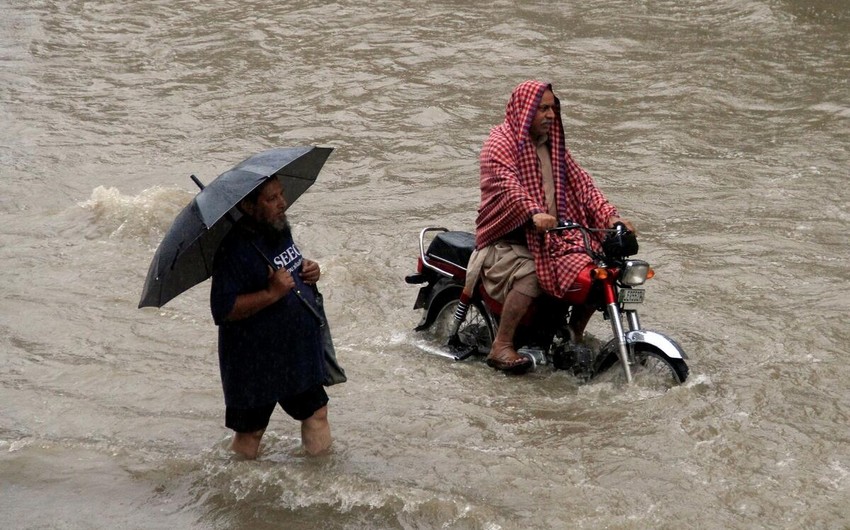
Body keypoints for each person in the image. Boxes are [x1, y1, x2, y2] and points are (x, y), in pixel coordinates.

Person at [466, 80, 635, 373]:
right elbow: (507, 187)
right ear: (525, 109)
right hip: (509, 240)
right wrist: (533, 212)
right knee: (532, 276)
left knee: (597, 270)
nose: (550, 115)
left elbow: (584, 186)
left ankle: (572, 334)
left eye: (553, 108)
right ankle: (502, 345)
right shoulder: (500, 143)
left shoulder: (553, 148)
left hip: (552, 237)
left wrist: (612, 218)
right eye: (542, 108)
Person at [210, 175, 331, 459]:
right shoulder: (233, 250)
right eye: (272, 199)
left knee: (317, 413)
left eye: (281, 194)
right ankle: (237, 494)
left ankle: (320, 483)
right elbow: (223, 309)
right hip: (253, 360)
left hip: (294, 351)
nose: (282, 203)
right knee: (251, 432)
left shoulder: (278, 228)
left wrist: (311, 271)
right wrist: (271, 294)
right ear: (249, 206)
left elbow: (292, 267)